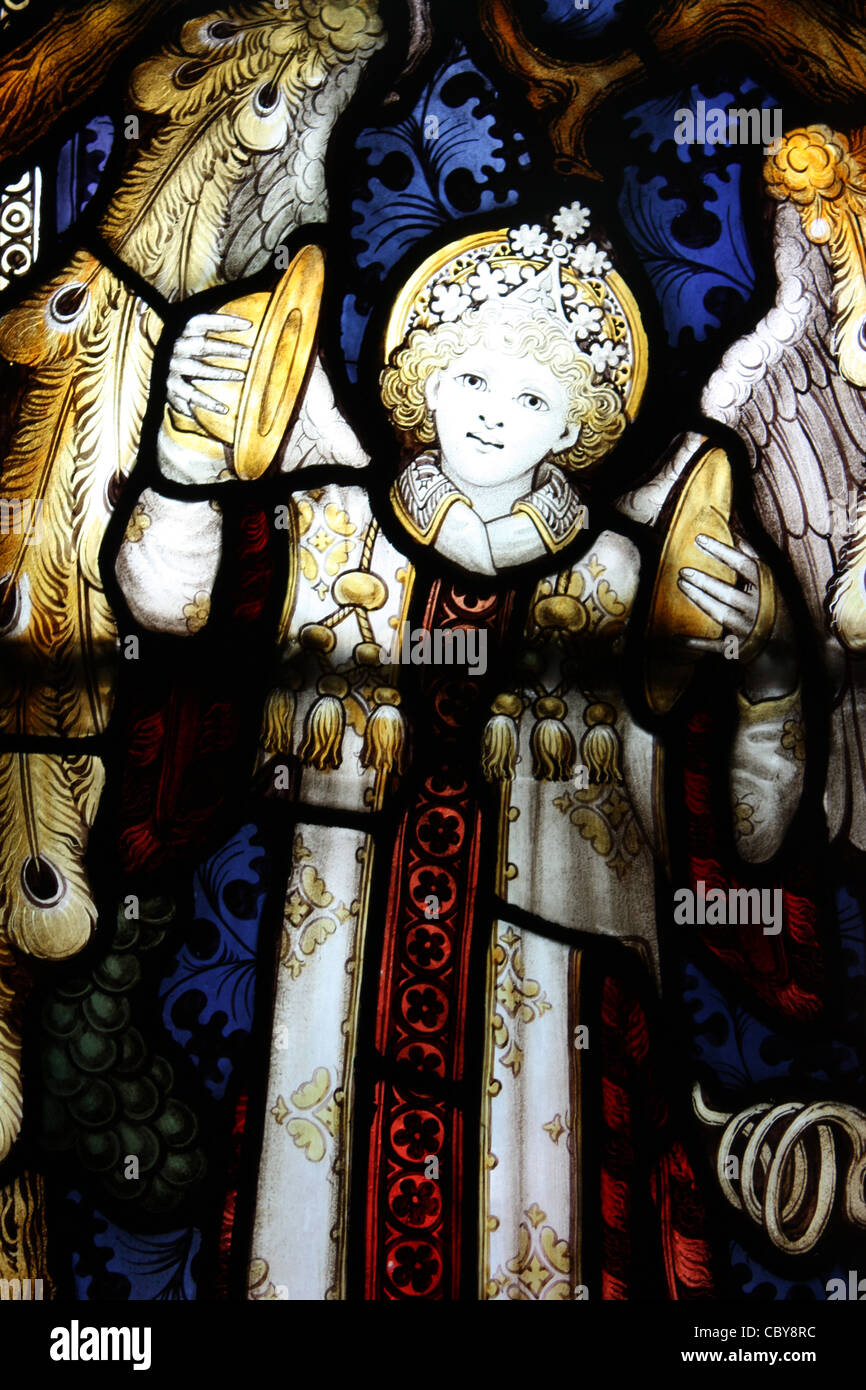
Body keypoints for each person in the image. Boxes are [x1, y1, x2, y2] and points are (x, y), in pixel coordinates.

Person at [116, 203, 805, 1299]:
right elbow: (169, 612)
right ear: (420, 378)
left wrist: (768, 669)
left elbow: (741, 840)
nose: (492, 416)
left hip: (550, 1029)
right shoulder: (322, 532)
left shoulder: (628, 589)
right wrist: (187, 460)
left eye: (533, 397)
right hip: (328, 1006)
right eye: (471, 379)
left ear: (577, 426)